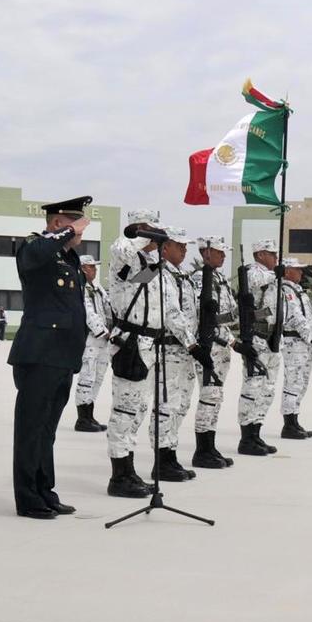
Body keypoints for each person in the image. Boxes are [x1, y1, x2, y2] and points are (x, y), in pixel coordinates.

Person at [7, 197, 91, 518]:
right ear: (57, 223)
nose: (81, 229)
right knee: (31, 429)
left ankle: (45, 491)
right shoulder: (34, 247)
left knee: (47, 431)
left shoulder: (68, 257)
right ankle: (28, 498)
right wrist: (67, 232)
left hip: (62, 355)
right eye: (75, 222)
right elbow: (36, 254)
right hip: (40, 354)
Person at [105, 209, 165, 497]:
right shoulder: (122, 250)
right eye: (151, 229)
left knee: (138, 410)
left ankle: (129, 470)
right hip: (129, 342)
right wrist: (145, 236)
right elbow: (124, 247)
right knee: (124, 410)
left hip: (148, 345)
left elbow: (140, 288)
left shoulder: (145, 262)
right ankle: (118, 476)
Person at [148, 227, 203, 481]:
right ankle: (161, 460)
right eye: (179, 245)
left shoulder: (184, 276)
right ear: (165, 246)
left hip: (185, 350)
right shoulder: (157, 272)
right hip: (168, 348)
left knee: (180, 404)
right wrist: (193, 344)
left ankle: (170, 453)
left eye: (185, 246)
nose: (184, 250)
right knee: (165, 405)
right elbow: (171, 312)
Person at [192, 236, 238, 468]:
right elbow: (201, 316)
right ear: (206, 253)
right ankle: (202, 449)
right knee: (208, 396)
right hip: (209, 345)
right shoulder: (199, 279)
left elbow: (226, 316)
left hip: (222, 345)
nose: (224, 256)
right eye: (220, 252)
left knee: (217, 398)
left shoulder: (220, 279)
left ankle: (210, 445)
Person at [237, 238, 281, 456]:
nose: (276, 258)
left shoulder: (272, 276)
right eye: (272, 254)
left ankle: (256, 432)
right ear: (260, 255)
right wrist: (275, 275)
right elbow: (253, 280)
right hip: (255, 336)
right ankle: (246, 437)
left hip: (270, 338)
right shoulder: (253, 272)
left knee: (267, 389)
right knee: (253, 387)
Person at [279, 258, 312, 439]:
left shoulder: (299, 291)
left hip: (305, 342)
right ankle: (288, 424)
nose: (301, 272)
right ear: (287, 271)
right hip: (294, 341)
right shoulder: (285, 290)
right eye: (297, 269)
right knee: (293, 381)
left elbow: (309, 316)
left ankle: (294, 419)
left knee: (302, 382)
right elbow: (295, 318)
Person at [73, 255, 111, 432]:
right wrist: (103, 331)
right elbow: (87, 312)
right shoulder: (80, 287)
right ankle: (82, 419)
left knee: (98, 378)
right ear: (82, 269)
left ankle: (90, 415)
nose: (95, 270)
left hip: (103, 340)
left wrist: (113, 327)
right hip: (90, 338)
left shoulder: (97, 287)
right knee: (87, 377)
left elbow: (107, 307)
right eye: (91, 267)